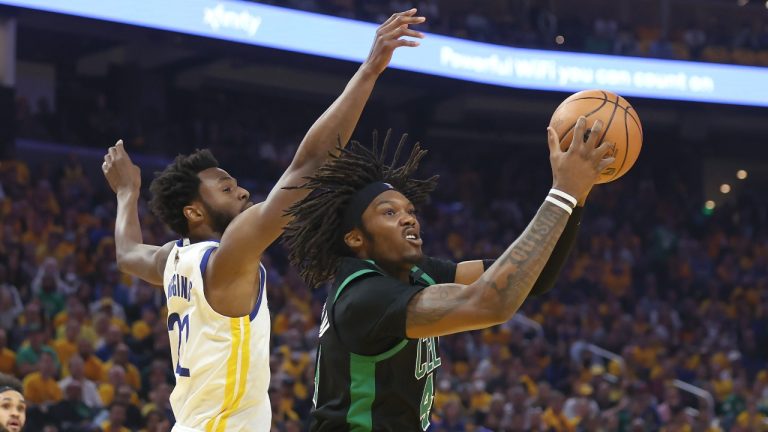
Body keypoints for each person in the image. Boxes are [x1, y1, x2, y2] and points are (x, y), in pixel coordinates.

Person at [101, 9, 426, 432]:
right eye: (225, 187)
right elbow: (309, 165)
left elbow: (126, 253)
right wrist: (369, 70)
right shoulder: (227, 258)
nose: (242, 192)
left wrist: (127, 194)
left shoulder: (173, 260)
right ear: (194, 212)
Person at [281, 119, 615, 430]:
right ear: (356, 238)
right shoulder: (365, 297)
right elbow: (490, 303)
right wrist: (562, 193)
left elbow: (534, 277)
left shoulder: (417, 272)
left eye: (410, 211)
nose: (409, 218)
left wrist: (577, 197)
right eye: (389, 212)